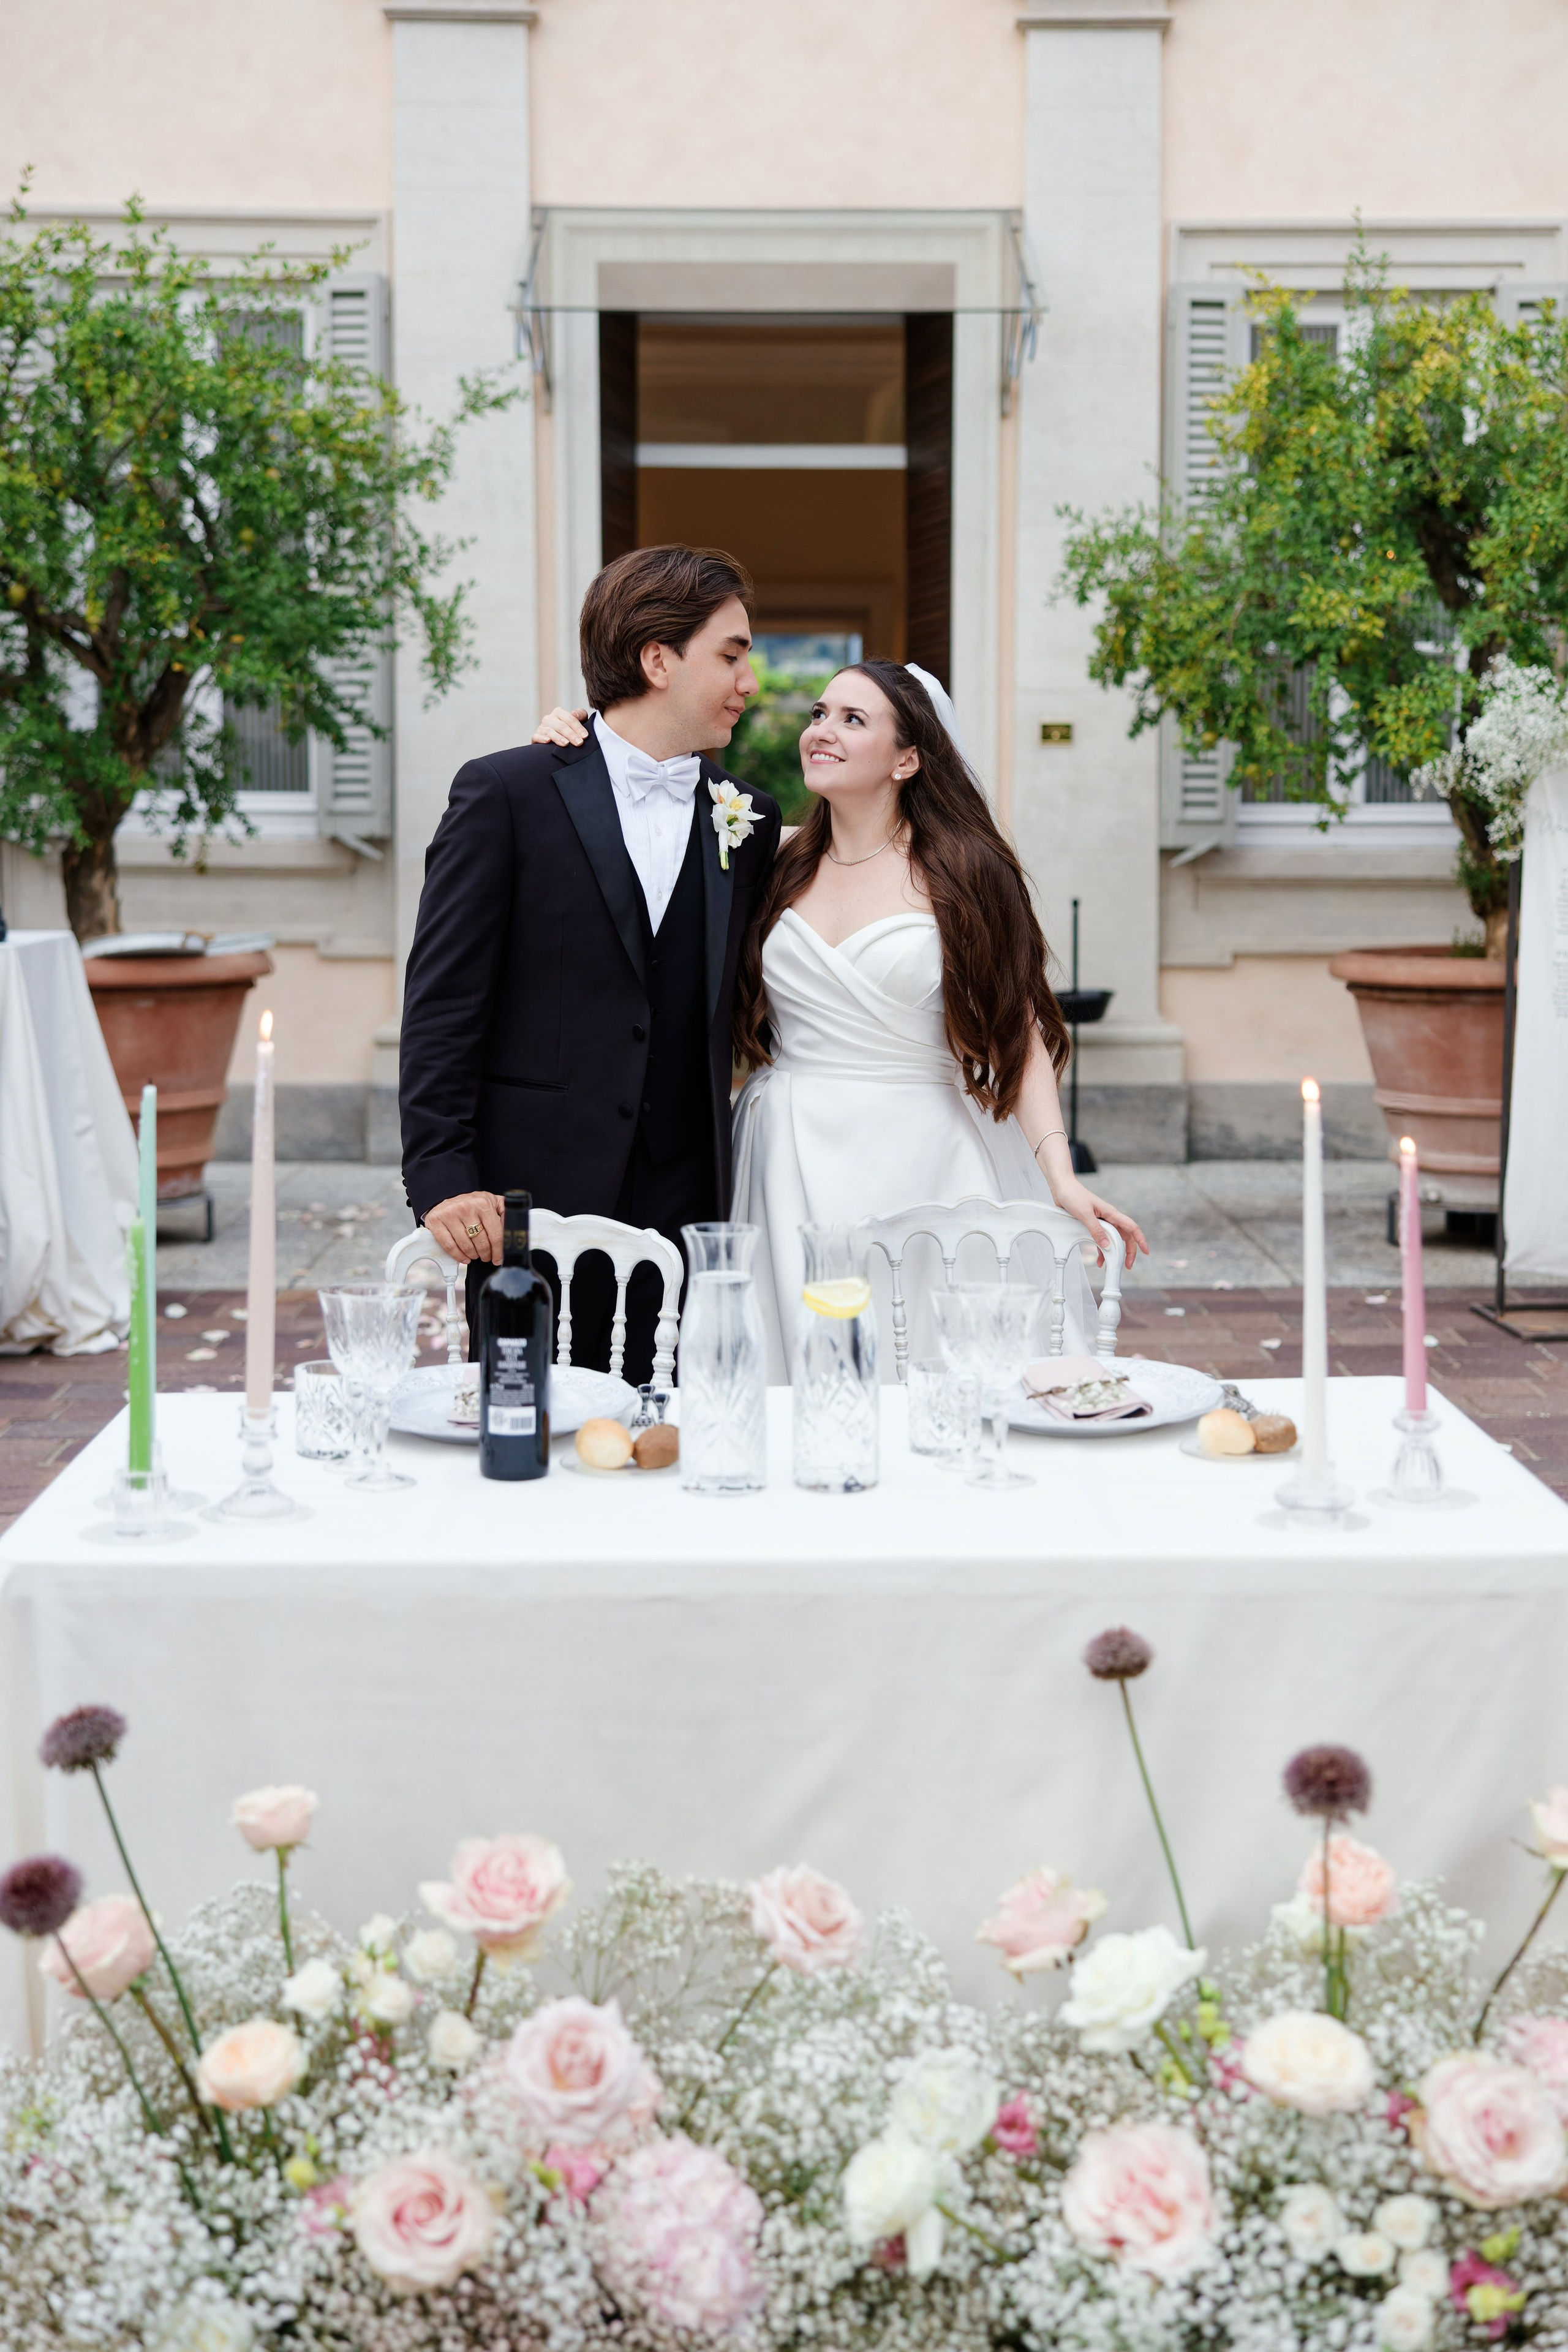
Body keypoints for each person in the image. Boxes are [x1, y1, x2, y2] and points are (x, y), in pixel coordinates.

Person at [532, 658, 1146, 1379]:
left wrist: (1061, 1177)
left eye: (853, 720)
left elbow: (1017, 1031)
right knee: (788, 1365)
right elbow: (630, 807)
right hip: (785, 1153)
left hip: (923, 1156)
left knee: (933, 1357)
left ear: (908, 758)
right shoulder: (767, 852)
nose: (822, 731)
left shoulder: (968, 871)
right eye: (820, 713)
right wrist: (575, 737)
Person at [399, 543, 781, 1382]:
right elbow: (443, 1004)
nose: (750, 683)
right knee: (522, 1432)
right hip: (529, 1202)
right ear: (657, 659)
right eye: (732, 654)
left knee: (664, 1439)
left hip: (686, 1206)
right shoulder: (506, 794)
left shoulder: (748, 819)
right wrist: (441, 1176)